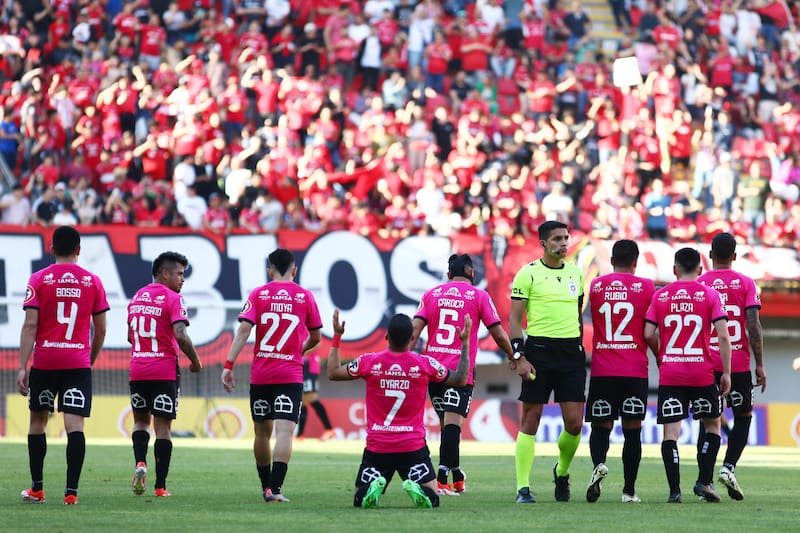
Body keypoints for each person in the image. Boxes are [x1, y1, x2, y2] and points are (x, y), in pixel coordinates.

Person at [412, 253, 532, 495]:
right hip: (460, 368)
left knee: (447, 425)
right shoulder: (479, 295)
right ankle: (443, 480)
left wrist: (402, 359)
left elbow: (414, 331)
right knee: (453, 424)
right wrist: (513, 356)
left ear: (448, 275)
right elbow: (497, 333)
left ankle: (456, 475)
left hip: (433, 368)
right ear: (472, 274)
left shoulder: (431, 294)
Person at [327, 310, 472, 509]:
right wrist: (464, 343)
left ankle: (373, 488)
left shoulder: (369, 362)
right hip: (412, 448)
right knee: (433, 497)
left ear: (386, 336)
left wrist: (337, 337)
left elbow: (333, 372)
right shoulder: (424, 363)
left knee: (359, 499)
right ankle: (418, 487)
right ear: (412, 338)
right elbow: (461, 379)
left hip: (377, 447)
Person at [17, 226, 109, 505]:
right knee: (75, 426)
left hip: (45, 363)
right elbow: (101, 330)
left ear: (52, 248)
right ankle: (71, 493)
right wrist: (88, 361)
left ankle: (37, 488)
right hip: (77, 364)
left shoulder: (39, 279)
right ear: (79, 250)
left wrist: (23, 367)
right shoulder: (93, 281)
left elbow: (30, 325)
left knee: (37, 422)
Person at [221, 248, 322, 503]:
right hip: (289, 374)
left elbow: (243, 331)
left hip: (262, 375)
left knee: (262, 434)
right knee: (285, 432)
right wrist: (299, 349)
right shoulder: (305, 296)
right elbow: (316, 337)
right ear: (294, 270)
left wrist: (228, 365)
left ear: (270, 270)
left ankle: (265, 486)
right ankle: (276, 489)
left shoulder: (258, 294)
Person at [644, 247, 732, 503]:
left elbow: (649, 333)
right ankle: (704, 482)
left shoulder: (661, 296)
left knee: (671, 434)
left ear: (674, 269)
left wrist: (662, 356)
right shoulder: (710, 294)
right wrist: (726, 372)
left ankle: (674, 491)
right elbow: (724, 336)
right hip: (702, 373)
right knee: (713, 427)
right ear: (701, 270)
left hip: (671, 372)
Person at [509, 220, 585, 503]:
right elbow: (515, 322)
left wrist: (579, 347)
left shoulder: (576, 273)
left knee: (575, 424)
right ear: (543, 243)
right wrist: (520, 356)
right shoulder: (527, 274)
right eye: (557, 239)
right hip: (538, 351)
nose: (564, 243)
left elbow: (577, 316)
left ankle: (561, 472)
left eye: (566, 237)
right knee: (531, 419)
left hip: (570, 353)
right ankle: (523, 488)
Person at [128, 251, 203, 497]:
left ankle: (140, 463)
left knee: (140, 421)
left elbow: (131, 336)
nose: (183, 279)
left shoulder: (137, 297)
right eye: (180, 274)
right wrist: (195, 359)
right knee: (163, 429)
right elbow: (180, 335)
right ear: (165, 273)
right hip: (164, 370)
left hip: (138, 369)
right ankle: (160, 487)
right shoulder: (173, 299)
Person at [585, 239, 655, 503]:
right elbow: (650, 329)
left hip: (603, 369)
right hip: (634, 370)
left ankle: (599, 465)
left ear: (611, 261)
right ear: (636, 263)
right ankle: (628, 491)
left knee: (600, 426)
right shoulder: (647, 287)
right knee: (632, 430)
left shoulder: (597, 285)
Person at [697, 232, 766, 500]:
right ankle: (728, 467)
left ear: (710, 255)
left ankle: (705, 482)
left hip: (706, 365)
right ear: (734, 256)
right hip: (737, 363)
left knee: (708, 423)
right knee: (744, 416)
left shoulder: (701, 283)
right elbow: (753, 326)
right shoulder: (747, 283)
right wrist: (759, 364)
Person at [295, 348, 336, 441]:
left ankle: (329, 429)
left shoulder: (310, 333)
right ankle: (299, 435)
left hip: (309, 366)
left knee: (311, 398)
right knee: (303, 400)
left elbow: (316, 342)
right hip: (303, 365)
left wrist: (296, 351)